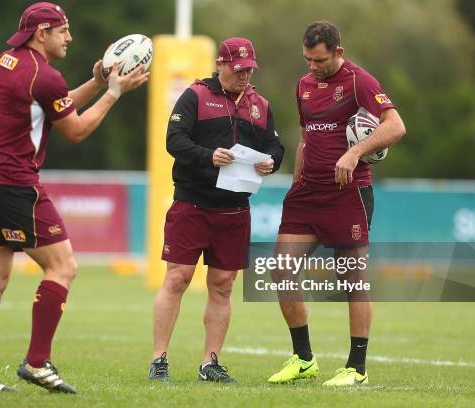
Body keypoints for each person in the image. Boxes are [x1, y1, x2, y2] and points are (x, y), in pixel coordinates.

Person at [0, 2, 149, 393]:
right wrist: (114, 92)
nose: (70, 37)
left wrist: (97, 81)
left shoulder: (6, 61)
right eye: (63, 30)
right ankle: (37, 362)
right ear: (41, 33)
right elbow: (75, 130)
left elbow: (52, 106)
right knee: (64, 267)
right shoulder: (45, 77)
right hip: (14, 186)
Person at [266, 21, 405, 387]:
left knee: (351, 278)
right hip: (307, 194)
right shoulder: (303, 85)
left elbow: (395, 126)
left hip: (348, 193)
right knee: (281, 270)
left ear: (338, 52)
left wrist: (354, 153)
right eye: (307, 59)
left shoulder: (360, 81)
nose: (312, 67)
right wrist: (296, 183)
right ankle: (304, 358)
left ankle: (356, 367)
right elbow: (306, 137)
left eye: (320, 60)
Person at [148, 37, 285, 383]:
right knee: (177, 278)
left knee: (223, 286)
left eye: (250, 69)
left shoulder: (261, 105)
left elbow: (274, 145)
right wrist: (208, 156)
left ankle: (210, 363)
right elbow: (174, 140)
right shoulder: (195, 96)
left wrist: (272, 162)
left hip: (235, 209)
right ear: (221, 64)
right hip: (192, 203)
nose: (245, 76)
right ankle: (159, 359)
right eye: (239, 69)